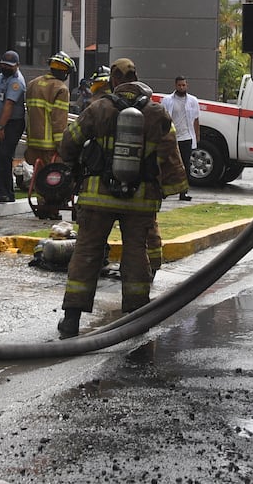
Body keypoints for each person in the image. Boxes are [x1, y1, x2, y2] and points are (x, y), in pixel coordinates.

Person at [55, 57, 187, 339]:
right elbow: (171, 157)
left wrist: (74, 163)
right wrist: (167, 188)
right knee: (136, 253)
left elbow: (69, 143)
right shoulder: (157, 113)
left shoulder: (97, 108)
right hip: (140, 200)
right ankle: (136, 318)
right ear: (136, 77)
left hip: (96, 197)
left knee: (87, 252)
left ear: (114, 80)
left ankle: (71, 320)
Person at [24, 52, 75, 219]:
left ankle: (42, 205)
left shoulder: (32, 84)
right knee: (55, 178)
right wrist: (62, 146)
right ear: (65, 72)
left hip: (33, 142)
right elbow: (58, 121)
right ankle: (53, 208)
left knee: (39, 176)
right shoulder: (60, 89)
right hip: (50, 145)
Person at [0, 50, 27, 204]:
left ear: (17, 65)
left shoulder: (17, 82)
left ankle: (6, 193)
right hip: (0, 122)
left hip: (11, 124)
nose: (5, 67)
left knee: (4, 156)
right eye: (3, 64)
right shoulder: (2, 77)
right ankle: (3, 191)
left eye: (8, 66)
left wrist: (1, 127)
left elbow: (9, 105)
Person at [158, 75, 199, 201]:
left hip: (186, 137)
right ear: (175, 85)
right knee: (167, 164)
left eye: (184, 85)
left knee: (185, 166)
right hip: (172, 137)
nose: (182, 87)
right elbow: (162, 118)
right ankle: (164, 190)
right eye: (179, 85)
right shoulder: (167, 100)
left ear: (187, 86)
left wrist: (197, 136)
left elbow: (196, 119)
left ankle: (183, 192)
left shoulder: (193, 100)